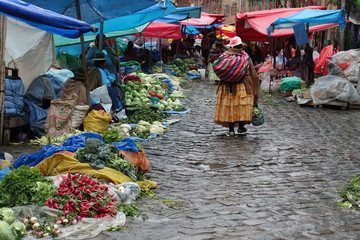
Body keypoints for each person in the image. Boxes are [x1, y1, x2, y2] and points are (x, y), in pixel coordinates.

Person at [214, 36, 260, 136]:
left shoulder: (224, 56)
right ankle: (241, 127)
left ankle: (231, 130)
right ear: (241, 46)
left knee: (230, 107)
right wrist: (255, 90)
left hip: (227, 87)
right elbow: (253, 75)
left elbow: (219, 68)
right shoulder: (246, 57)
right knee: (241, 107)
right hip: (242, 86)